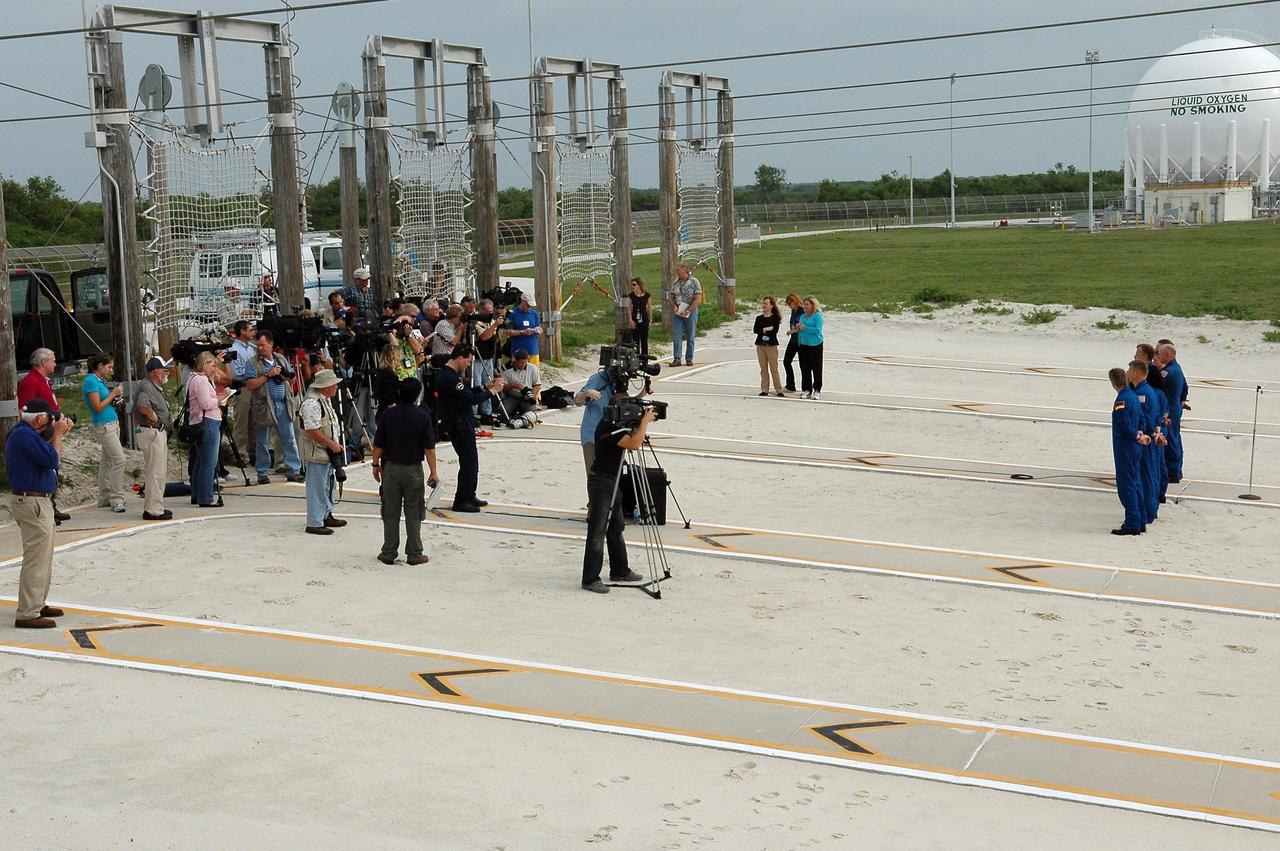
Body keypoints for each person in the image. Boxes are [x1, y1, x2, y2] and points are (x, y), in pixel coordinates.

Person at [5, 399, 74, 628]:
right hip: (32, 502)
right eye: (50, 418)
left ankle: (37, 603)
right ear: (39, 419)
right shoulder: (24, 437)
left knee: (44, 556)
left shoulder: (25, 434)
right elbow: (53, 460)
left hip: (35, 501)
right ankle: (27, 612)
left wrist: (54, 434)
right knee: (36, 557)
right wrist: (58, 435)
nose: (53, 421)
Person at [581, 404, 654, 593]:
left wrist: (639, 425)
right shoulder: (608, 426)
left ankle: (620, 569)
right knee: (597, 531)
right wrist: (645, 422)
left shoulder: (616, 426)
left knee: (616, 528)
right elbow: (634, 444)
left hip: (612, 482)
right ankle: (590, 578)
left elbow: (630, 442)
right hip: (602, 483)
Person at [372, 377, 441, 565]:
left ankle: (388, 552)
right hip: (413, 470)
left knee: (390, 512)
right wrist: (433, 472)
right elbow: (429, 448)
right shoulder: (423, 416)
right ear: (417, 394)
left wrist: (375, 464)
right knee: (414, 512)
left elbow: (378, 443)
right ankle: (414, 553)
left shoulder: (388, 415)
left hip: (391, 469)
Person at [434, 345, 503, 512]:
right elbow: (470, 399)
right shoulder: (448, 377)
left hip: (462, 421)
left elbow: (466, 392)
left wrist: (485, 387)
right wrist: (493, 391)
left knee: (472, 461)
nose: (468, 365)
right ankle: (462, 499)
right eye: (468, 361)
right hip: (458, 423)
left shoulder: (450, 375)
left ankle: (469, 494)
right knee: (468, 462)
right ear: (460, 358)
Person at [236, 330, 304, 485]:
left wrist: (284, 375)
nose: (260, 348)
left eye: (263, 345)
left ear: (271, 344)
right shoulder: (252, 363)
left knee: (289, 438)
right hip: (264, 405)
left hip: (283, 404)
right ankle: (262, 472)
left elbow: (292, 380)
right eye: (258, 345)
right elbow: (250, 384)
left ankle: (293, 470)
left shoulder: (280, 359)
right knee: (263, 441)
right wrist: (268, 375)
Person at [18, 348, 71, 524]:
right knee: (46, 466)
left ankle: (51, 506)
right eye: (53, 360)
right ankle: (46, 507)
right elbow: (26, 410)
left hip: (49, 428)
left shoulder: (43, 381)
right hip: (40, 432)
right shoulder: (31, 382)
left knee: (53, 469)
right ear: (43, 362)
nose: (56, 363)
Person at [296, 369, 347, 536]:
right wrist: (332, 444)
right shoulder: (312, 403)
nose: (337, 388)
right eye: (334, 385)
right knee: (317, 487)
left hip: (325, 451)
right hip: (317, 451)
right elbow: (311, 430)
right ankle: (315, 522)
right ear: (326, 387)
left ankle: (326, 514)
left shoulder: (323, 399)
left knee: (327, 485)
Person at [82, 352, 127, 513]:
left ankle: (105, 497)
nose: (110, 369)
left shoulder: (99, 381)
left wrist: (114, 397)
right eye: (108, 367)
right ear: (100, 366)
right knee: (119, 459)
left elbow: (105, 402)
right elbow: (97, 407)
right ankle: (116, 498)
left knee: (107, 460)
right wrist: (113, 394)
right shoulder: (90, 382)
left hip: (112, 422)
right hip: (104, 425)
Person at [132, 356, 174, 520]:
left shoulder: (151, 386)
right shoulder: (147, 387)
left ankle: (155, 505)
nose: (168, 373)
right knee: (155, 472)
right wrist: (153, 415)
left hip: (155, 432)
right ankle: (153, 510)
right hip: (151, 432)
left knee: (157, 471)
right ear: (156, 372)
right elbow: (142, 405)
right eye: (165, 370)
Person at [1108, 366, 1149, 536]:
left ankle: (1132, 522)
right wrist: (1140, 432)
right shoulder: (1133, 396)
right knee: (1136, 482)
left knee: (1127, 485)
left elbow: (1124, 424)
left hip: (1126, 447)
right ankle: (1140, 520)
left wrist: (1135, 435)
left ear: (1113, 383)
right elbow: (1141, 418)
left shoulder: (1121, 400)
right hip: (1135, 446)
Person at [186, 351, 225, 507]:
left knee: (200, 461)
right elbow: (206, 404)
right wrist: (221, 399)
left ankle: (197, 494)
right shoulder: (201, 381)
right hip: (208, 421)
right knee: (209, 463)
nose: (214, 368)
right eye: (212, 365)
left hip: (200, 421)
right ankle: (206, 497)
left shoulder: (193, 378)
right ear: (205, 363)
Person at [1131, 359, 1168, 522]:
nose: (1127, 373)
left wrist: (1144, 434)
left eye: (1129, 370)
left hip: (1145, 441)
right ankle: (1150, 510)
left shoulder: (1142, 393)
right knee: (1149, 475)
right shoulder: (1147, 390)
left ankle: (1147, 512)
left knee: (1146, 476)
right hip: (1150, 437)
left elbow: (1143, 417)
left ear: (1136, 373)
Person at [1156, 342, 1189, 483]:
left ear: (1167, 355)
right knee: (1175, 438)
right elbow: (1185, 387)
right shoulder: (1177, 368)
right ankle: (1176, 470)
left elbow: (1157, 385)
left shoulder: (1168, 371)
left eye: (1159, 353)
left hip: (1170, 409)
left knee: (1171, 440)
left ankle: (1173, 471)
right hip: (1175, 406)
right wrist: (1181, 400)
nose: (1158, 355)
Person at [575, 367, 616, 476]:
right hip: (592, 435)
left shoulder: (619, 380)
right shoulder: (598, 378)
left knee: (612, 476)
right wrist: (587, 393)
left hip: (611, 436)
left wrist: (641, 394)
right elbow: (577, 400)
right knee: (594, 476)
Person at [227, 320, 258, 457]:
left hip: (255, 387)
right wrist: (253, 374)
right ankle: (240, 453)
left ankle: (252, 452)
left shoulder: (251, 348)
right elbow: (236, 373)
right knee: (241, 421)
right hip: (243, 387)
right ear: (242, 331)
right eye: (250, 330)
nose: (253, 332)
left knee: (254, 421)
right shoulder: (234, 349)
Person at [473, 298, 505, 423]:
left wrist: (499, 330)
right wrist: (495, 325)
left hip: (489, 357)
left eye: (491, 311)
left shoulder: (491, 320)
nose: (489, 314)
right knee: (477, 385)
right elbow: (484, 337)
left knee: (489, 384)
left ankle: (486, 412)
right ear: (480, 310)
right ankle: (474, 412)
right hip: (477, 357)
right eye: (487, 311)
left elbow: (494, 340)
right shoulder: (475, 321)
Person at [667, 264, 703, 366]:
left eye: (679, 271)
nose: (677, 273)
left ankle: (689, 358)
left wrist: (689, 311)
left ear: (685, 271)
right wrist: (674, 306)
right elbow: (671, 296)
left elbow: (697, 298)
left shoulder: (694, 282)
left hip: (690, 311)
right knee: (677, 335)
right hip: (678, 310)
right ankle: (677, 358)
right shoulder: (675, 283)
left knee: (690, 335)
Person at [499, 349, 542, 427]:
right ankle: (513, 414)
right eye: (521, 362)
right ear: (515, 361)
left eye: (525, 362)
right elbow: (503, 387)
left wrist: (532, 394)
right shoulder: (506, 369)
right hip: (512, 396)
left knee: (528, 416)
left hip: (527, 396)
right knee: (503, 412)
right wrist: (514, 386)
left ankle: (518, 416)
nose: (524, 365)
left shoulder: (532, 368)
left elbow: (537, 385)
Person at [794, 296, 826, 400]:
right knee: (804, 367)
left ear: (813, 305)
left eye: (807, 304)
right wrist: (798, 328)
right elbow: (800, 328)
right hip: (803, 344)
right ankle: (806, 389)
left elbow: (817, 330)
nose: (805, 306)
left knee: (816, 368)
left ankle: (817, 390)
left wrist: (805, 328)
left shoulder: (818, 316)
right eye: (804, 304)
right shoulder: (802, 316)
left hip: (815, 345)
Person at [754, 296, 784, 397]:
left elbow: (774, 331)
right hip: (760, 345)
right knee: (763, 369)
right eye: (763, 303)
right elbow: (756, 330)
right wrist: (765, 329)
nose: (764, 305)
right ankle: (764, 389)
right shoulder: (759, 318)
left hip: (771, 345)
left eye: (766, 303)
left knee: (774, 368)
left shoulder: (775, 318)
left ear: (771, 305)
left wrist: (769, 329)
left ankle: (778, 390)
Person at [506, 292, 542, 365]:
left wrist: (538, 330)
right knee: (518, 374)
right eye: (528, 305)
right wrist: (522, 332)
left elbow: (538, 326)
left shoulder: (534, 313)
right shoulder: (513, 314)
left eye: (531, 306)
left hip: (532, 350)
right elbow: (508, 332)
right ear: (522, 301)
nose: (529, 307)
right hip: (518, 351)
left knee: (534, 373)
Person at [781, 294, 804, 392]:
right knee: (786, 361)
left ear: (795, 301)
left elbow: (802, 326)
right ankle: (790, 385)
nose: (789, 305)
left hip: (801, 340)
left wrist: (793, 331)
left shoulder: (802, 311)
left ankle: (806, 388)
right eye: (788, 304)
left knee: (803, 364)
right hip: (793, 340)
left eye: (790, 303)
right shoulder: (793, 311)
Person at [628, 277, 652, 359]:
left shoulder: (647, 295)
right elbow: (629, 308)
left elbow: (649, 308)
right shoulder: (631, 296)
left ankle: (645, 360)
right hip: (635, 320)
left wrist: (650, 320)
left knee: (644, 340)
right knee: (635, 341)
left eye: (634, 285)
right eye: (632, 285)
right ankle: (636, 360)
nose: (633, 287)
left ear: (639, 285)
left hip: (644, 319)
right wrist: (630, 320)